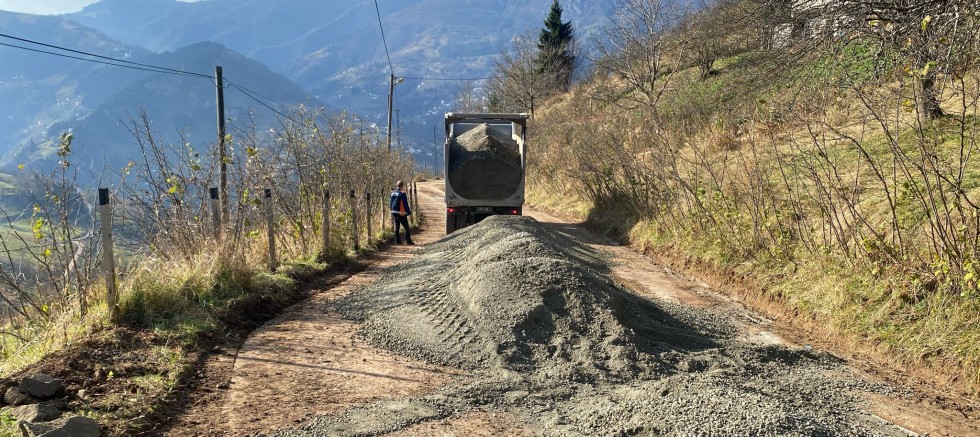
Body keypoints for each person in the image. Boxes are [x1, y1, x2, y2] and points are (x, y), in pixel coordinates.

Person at [390, 180, 414, 245]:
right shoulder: (402, 193)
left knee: (397, 226)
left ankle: (397, 241)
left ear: (397, 185)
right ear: (402, 186)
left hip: (393, 211)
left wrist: (391, 210)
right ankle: (408, 241)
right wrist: (408, 212)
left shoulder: (393, 193)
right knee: (406, 226)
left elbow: (390, 202)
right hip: (400, 212)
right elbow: (405, 203)